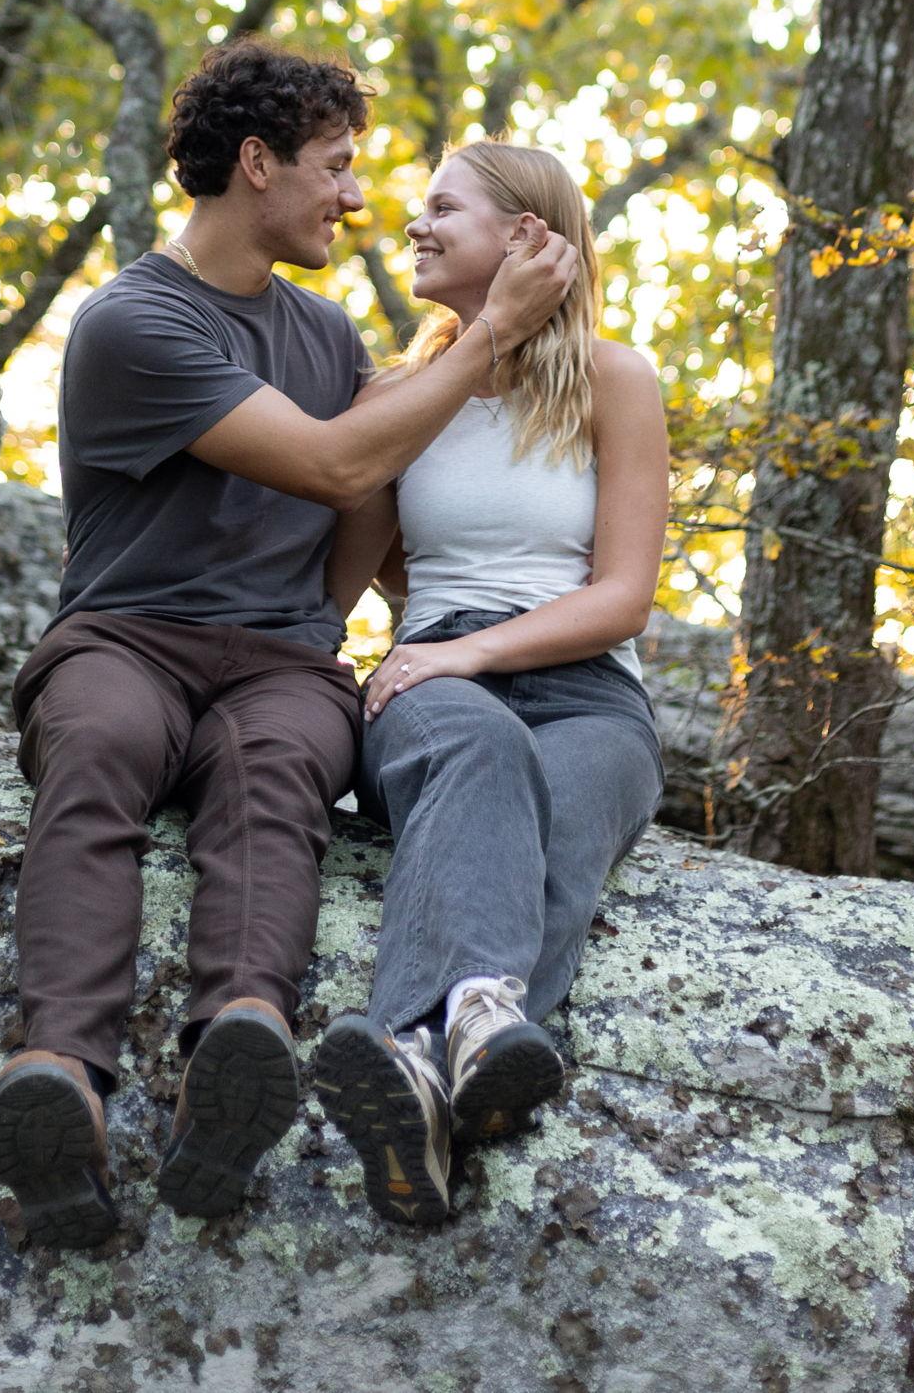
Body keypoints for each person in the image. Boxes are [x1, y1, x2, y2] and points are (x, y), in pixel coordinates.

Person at [0, 45, 578, 1249]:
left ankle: (233, 1054)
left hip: (279, 660)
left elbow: (368, 504)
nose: (355, 198)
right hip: (127, 639)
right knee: (95, 751)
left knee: (277, 779)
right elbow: (336, 464)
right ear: (256, 166)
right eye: (336, 167)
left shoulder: (322, 330)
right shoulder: (131, 321)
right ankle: (62, 1080)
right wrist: (484, 336)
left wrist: (389, 638)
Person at [314, 140, 669, 1224]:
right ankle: (474, 1029)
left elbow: (621, 598)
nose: (411, 225)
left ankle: (418, 1076)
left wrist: (465, 651)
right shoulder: (400, 393)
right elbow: (336, 580)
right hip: (435, 688)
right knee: (479, 748)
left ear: (525, 237)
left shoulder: (616, 380)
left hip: (584, 687)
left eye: (441, 209)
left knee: (560, 808)